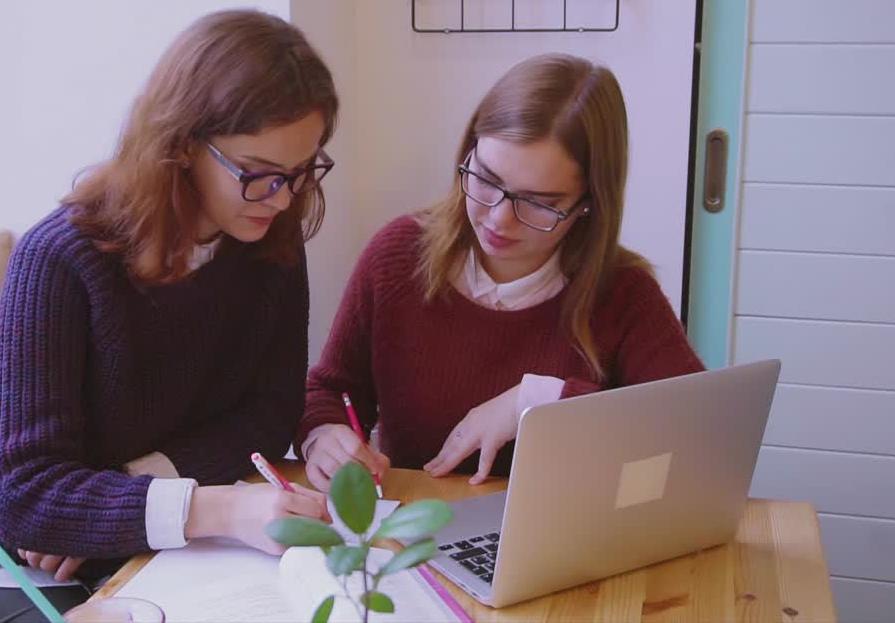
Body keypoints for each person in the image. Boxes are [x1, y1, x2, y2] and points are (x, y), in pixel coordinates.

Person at [0, 9, 338, 622]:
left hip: (150, 548)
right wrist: (215, 508)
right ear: (180, 146)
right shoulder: (60, 260)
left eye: (301, 171)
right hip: (12, 568)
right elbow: (23, 496)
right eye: (256, 175)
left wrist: (118, 501)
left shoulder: (272, 242)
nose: (282, 199)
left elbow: (270, 412)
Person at [298, 53, 704, 493]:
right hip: (417, 530)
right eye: (486, 178)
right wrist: (323, 438)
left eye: (538, 202)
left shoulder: (624, 294)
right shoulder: (397, 257)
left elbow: (696, 435)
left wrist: (540, 401)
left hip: (563, 537)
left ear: (588, 206)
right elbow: (328, 391)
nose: (498, 218)